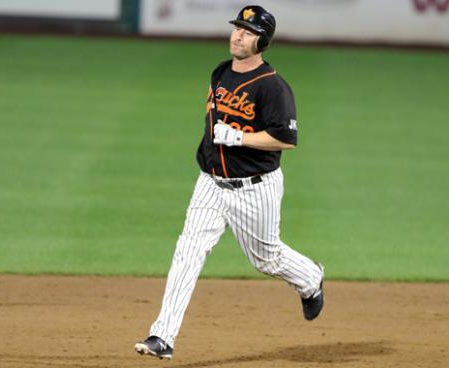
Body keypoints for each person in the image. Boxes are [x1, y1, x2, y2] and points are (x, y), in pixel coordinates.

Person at [135, 5, 324, 360]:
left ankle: (311, 279)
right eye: (237, 28)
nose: (239, 35)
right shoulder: (221, 72)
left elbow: (286, 138)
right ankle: (162, 336)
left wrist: (240, 138)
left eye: (248, 32)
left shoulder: (273, 87)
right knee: (188, 252)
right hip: (209, 183)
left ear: (262, 41)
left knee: (266, 259)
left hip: (255, 187)